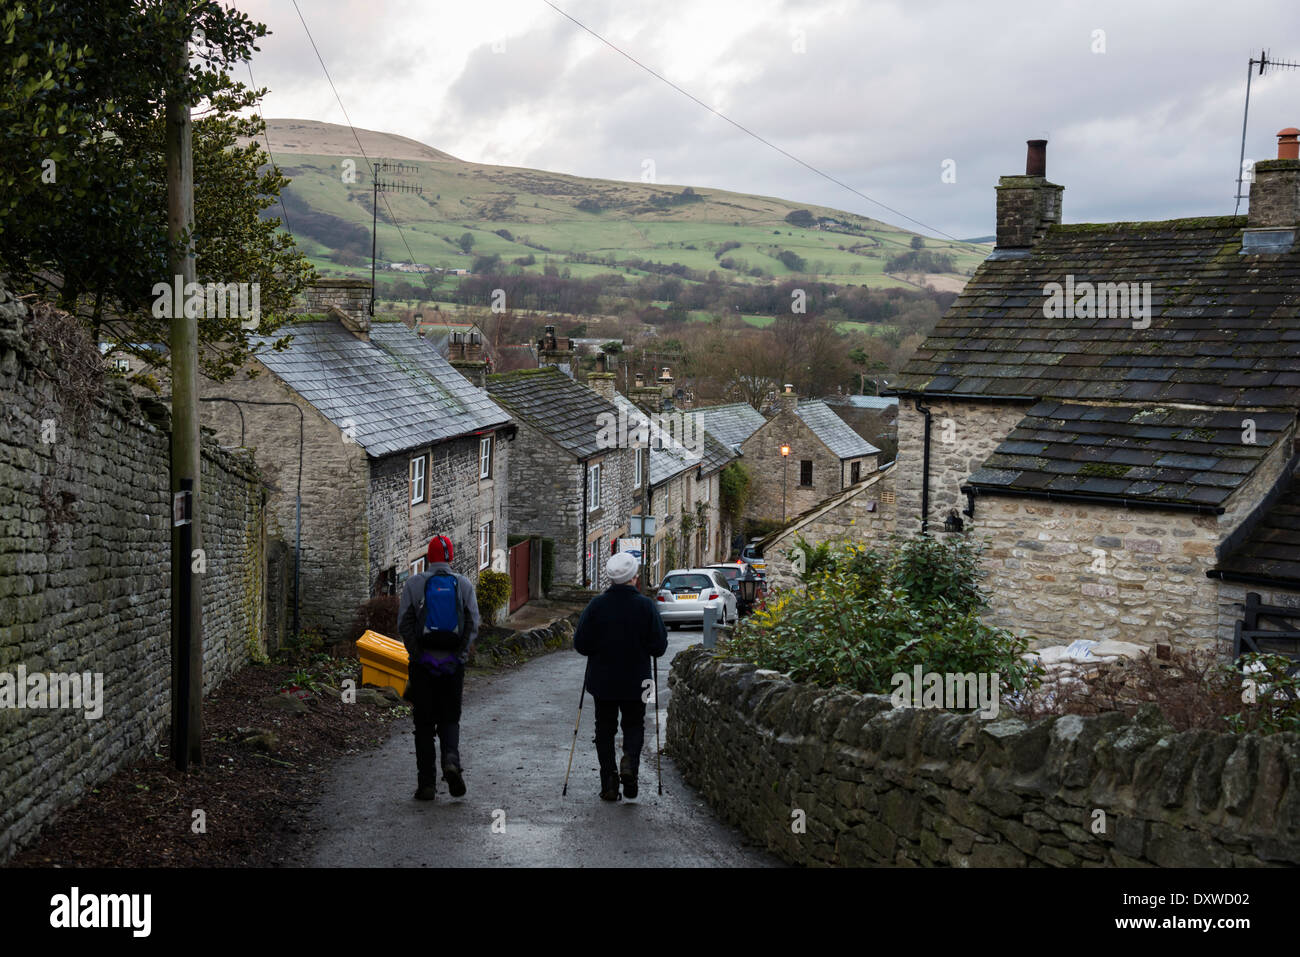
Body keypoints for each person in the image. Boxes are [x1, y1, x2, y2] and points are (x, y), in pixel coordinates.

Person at [572, 551, 668, 801]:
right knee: (635, 725)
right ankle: (630, 766)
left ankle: (609, 782)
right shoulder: (646, 606)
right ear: (634, 579)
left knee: (604, 730)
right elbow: (659, 647)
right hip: (639, 681)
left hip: (603, 680)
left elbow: (581, 644)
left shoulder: (597, 605)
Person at [398, 535, 480, 801]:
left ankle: (427, 785)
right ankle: (451, 762)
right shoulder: (463, 585)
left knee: (423, 724)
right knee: (449, 718)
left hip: (422, 668)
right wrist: (458, 657)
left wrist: (419, 655)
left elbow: (405, 624)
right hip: (452, 668)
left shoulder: (414, 583)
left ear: (429, 558)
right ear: (450, 558)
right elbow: (472, 623)